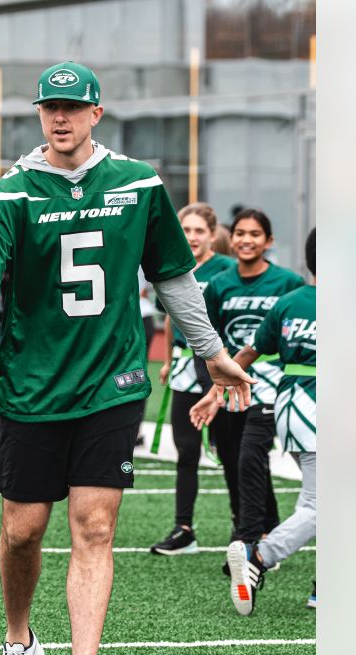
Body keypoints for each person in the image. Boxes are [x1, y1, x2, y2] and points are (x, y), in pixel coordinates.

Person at [0, 61, 254, 655]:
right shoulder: (12, 194)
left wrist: (211, 353)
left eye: (73, 106)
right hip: (31, 384)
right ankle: (19, 640)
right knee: (23, 530)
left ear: (97, 113)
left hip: (112, 382)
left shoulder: (138, 184)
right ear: (40, 114)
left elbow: (174, 280)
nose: (61, 117)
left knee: (94, 526)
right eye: (50, 107)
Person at [200, 209, 305, 556]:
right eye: (241, 233)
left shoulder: (288, 283)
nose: (247, 240)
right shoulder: (220, 285)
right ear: (231, 240)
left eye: (256, 234)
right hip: (232, 383)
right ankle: (259, 522)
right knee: (234, 457)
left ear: (269, 241)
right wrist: (215, 386)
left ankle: (251, 534)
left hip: (272, 384)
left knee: (251, 455)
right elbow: (209, 336)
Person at [149, 202, 238, 555]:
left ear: (213, 235)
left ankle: (243, 525)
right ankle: (184, 529)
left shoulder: (227, 270)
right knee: (186, 450)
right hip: (185, 366)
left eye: (199, 230)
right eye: (186, 230)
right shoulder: (173, 265)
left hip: (218, 367)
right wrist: (170, 358)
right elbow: (172, 314)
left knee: (230, 450)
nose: (192, 237)